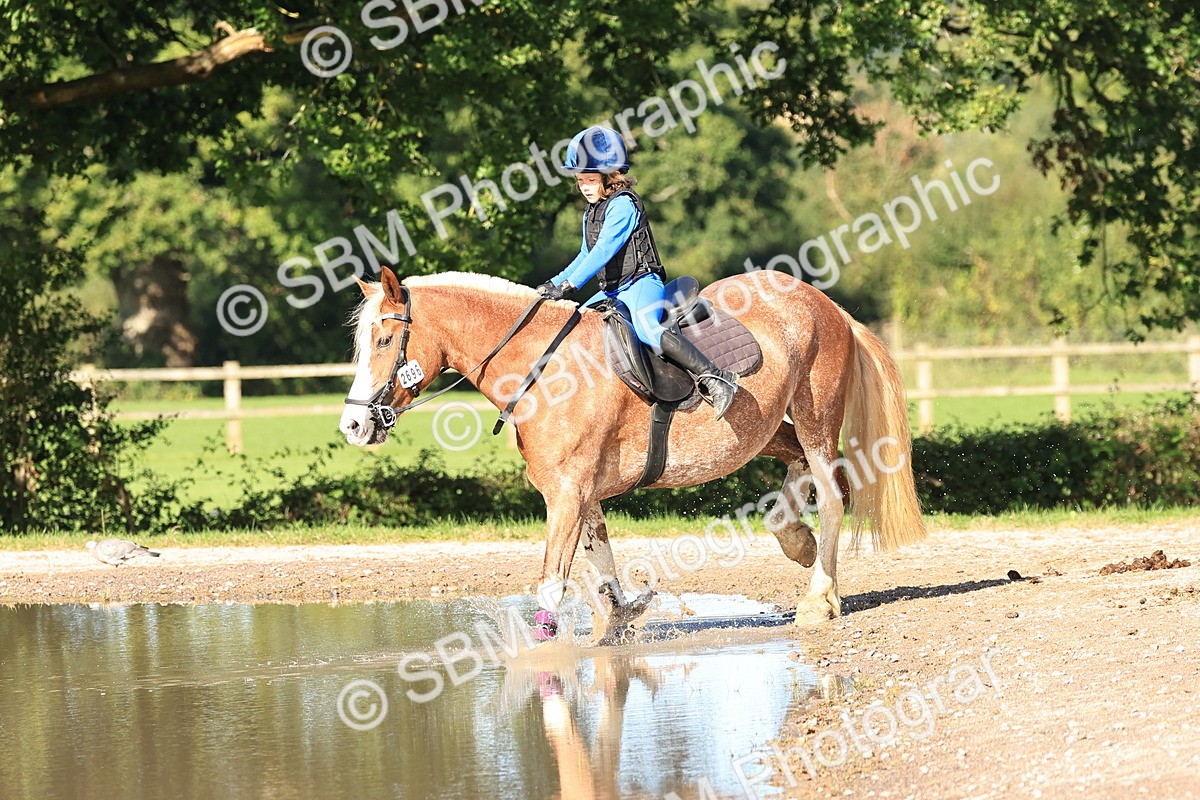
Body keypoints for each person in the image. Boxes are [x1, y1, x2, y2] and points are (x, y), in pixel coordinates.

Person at [536, 125, 738, 419]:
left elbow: (604, 251)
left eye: (591, 180)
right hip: (611, 291)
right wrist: (551, 285)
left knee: (647, 329)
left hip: (641, 284)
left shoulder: (624, 206)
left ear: (611, 176)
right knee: (577, 325)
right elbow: (585, 254)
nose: (584, 187)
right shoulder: (591, 212)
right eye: (580, 181)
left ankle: (716, 378)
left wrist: (569, 285)